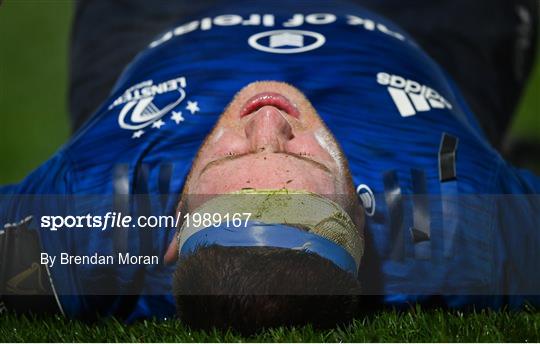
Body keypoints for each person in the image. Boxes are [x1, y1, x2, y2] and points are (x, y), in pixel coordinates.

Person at [1, 0, 539, 332]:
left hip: (168, 20)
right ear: (361, 214)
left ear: (170, 228)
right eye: (301, 155)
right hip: (415, 25)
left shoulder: (83, 228)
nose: (265, 123)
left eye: (229, 158)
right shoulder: (467, 225)